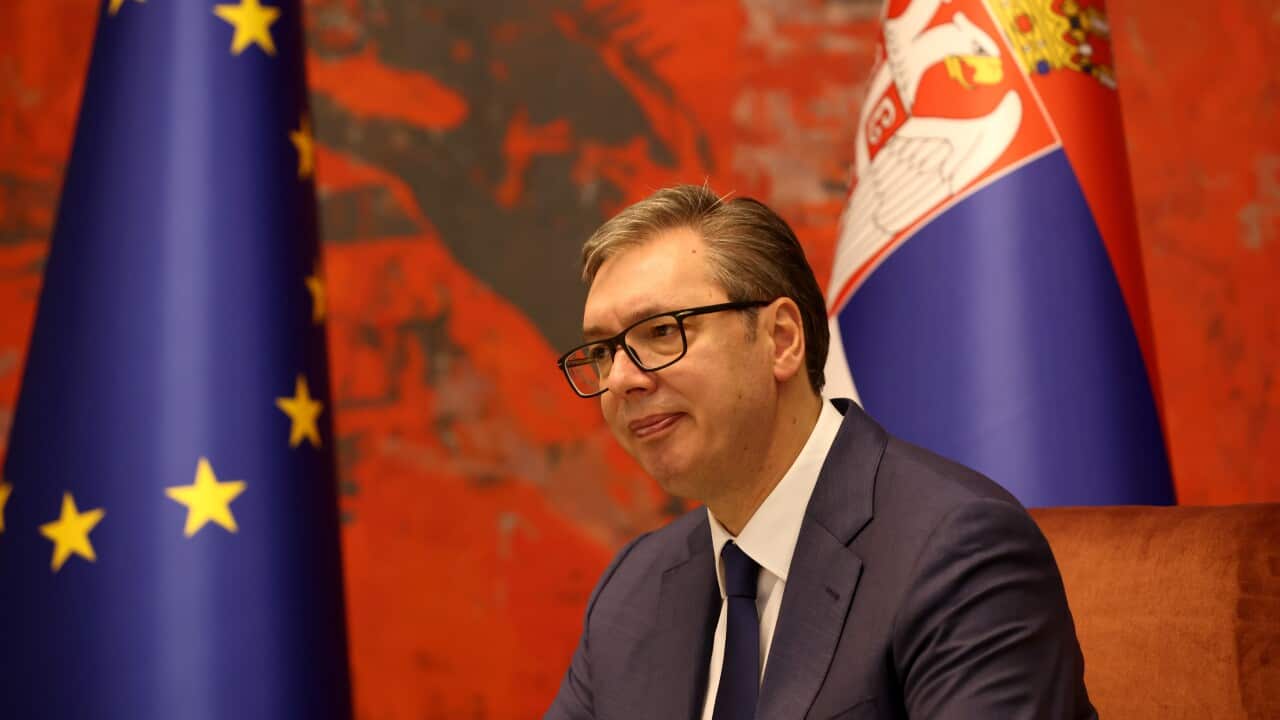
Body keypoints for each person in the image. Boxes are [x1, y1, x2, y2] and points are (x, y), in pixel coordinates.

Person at [544, 185, 1095, 719]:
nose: (620, 380)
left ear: (781, 339)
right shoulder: (633, 588)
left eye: (661, 332)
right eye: (601, 351)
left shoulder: (956, 551)